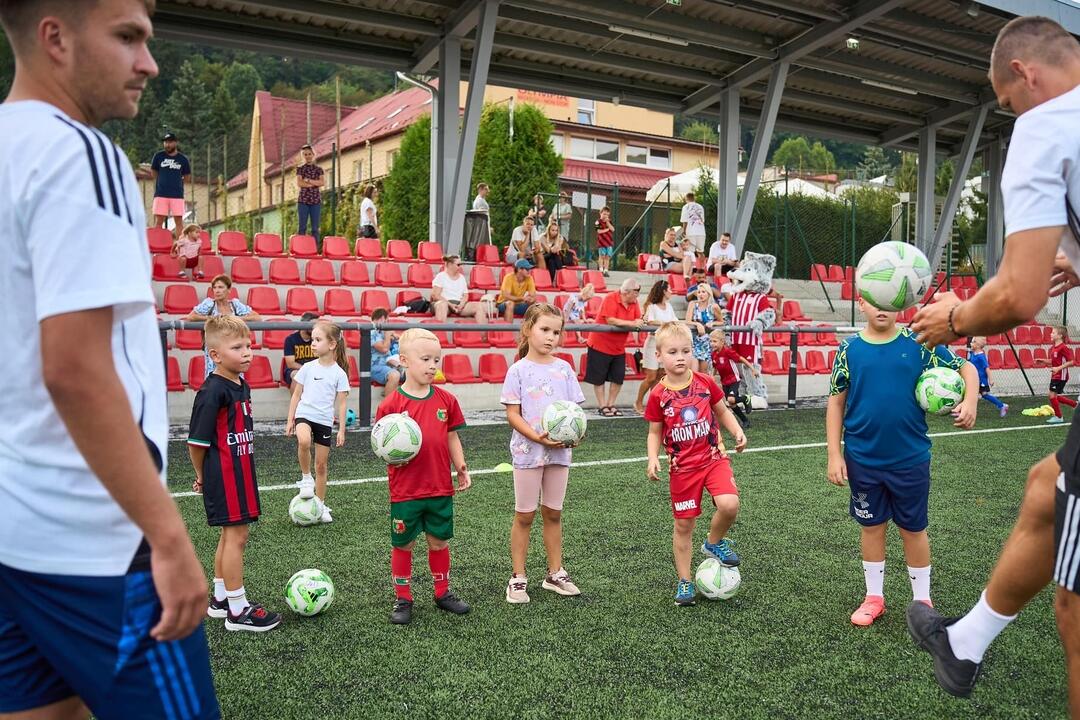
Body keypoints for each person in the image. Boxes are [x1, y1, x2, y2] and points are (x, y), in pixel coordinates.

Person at [0, 1, 218, 713]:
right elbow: (74, 368)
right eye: (128, 37)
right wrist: (167, 535)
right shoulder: (81, 152)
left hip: (15, 535)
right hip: (97, 543)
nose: (149, 62)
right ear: (55, 37)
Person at [907, 19, 1080, 704]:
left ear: (1024, 72)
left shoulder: (1047, 125)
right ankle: (964, 642)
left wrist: (950, 318)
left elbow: (1016, 297)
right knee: (1050, 484)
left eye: (1005, 102)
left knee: (1075, 604)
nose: (1010, 114)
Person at [827, 297, 978, 629]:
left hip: (910, 459)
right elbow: (836, 403)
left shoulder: (920, 343)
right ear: (861, 304)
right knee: (871, 527)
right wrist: (834, 454)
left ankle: (922, 600)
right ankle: (874, 598)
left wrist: (970, 400)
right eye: (874, 301)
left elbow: (967, 367)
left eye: (891, 301)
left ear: (902, 305)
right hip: (862, 459)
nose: (882, 308)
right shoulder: (848, 350)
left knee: (913, 529)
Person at [188, 316, 282, 633]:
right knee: (237, 537)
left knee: (230, 536)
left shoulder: (242, 384)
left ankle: (219, 600)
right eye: (237, 347)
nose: (247, 352)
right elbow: (196, 443)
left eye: (249, 346)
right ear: (215, 355)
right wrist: (202, 475)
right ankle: (238, 610)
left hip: (241, 472)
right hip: (223, 475)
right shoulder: (212, 391)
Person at [645, 321, 747, 606]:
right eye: (673, 351)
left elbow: (722, 410)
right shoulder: (658, 395)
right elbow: (654, 432)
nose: (680, 357)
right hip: (683, 471)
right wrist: (653, 457)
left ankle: (713, 542)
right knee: (684, 526)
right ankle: (685, 582)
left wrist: (737, 430)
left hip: (714, 460)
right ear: (659, 356)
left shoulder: (705, 381)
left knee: (729, 504)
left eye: (686, 351)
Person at [376, 328, 472, 625]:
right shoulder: (391, 405)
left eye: (437, 360)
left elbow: (452, 436)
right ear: (404, 360)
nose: (433, 365)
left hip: (439, 486)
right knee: (403, 544)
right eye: (426, 359)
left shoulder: (446, 399)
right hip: (406, 490)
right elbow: (382, 444)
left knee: (439, 542)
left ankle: (442, 593)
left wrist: (461, 466)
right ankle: (403, 598)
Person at [501, 304, 586, 603]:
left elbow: (575, 411)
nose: (551, 337)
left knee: (553, 512)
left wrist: (577, 433)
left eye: (556, 332)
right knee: (525, 514)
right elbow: (513, 414)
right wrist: (536, 436)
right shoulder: (518, 370)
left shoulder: (564, 368)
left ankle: (554, 573)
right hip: (528, 451)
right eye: (545, 330)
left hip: (559, 453)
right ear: (528, 329)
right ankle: (518, 577)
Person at [286, 321, 350, 523]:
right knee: (303, 442)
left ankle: (320, 506)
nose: (312, 343)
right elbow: (296, 395)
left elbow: (341, 405)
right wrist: (290, 419)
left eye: (317, 339)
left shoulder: (339, 373)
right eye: (312, 339)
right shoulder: (307, 367)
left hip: (324, 420)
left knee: (321, 466)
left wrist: (341, 430)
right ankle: (306, 478)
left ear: (332, 345)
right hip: (304, 414)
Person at [586, 278, 643, 417]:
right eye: (635, 293)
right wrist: (632, 324)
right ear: (626, 292)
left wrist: (636, 322)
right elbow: (610, 320)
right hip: (600, 344)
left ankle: (611, 404)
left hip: (618, 346)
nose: (636, 297)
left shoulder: (634, 303)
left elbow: (638, 319)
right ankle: (602, 405)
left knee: (618, 377)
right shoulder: (611, 298)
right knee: (598, 378)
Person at [185, 274, 262, 378]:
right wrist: (214, 319)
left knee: (235, 380)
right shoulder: (209, 304)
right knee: (215, 381)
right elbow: (191, 317)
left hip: (235, 349)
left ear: (229, 289)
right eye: (215, 288)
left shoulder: (235, 305)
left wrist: (233, 318)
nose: (217, 291)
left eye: (221, 287)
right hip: (215, 349)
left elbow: (256, 317)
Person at [635, 280, 678, 414]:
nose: (671, 291)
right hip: (653, 343)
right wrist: (666, 323)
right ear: (664, 291)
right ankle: (638, 402)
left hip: (665, 343)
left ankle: (654, 404)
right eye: (669, 289)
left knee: (660, 375)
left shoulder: (669, 306)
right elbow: (651, 321)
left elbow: (675, 321)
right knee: (651, 376)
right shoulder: (652, 306)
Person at [710, 329, 756, 427]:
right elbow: (715, 366)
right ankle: (745, 421)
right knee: (732, 404)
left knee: (730, 400)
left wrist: (752, 369)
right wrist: (712, 376)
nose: (712, 344)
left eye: (714, 341)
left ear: (722, 341)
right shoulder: (713, 354)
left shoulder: (727, 351)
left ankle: (745, 398)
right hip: (724, 382)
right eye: (711, 341)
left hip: (734, 379)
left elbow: (741, 359)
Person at [151, 131, 190, 239]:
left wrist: (177, 182)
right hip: (161, 194)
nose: (167, 144)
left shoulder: (183, 159)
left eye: (170, 142)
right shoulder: (158, 156)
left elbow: (187, 176)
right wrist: (162, 181)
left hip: (177, 195)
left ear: (175, 143)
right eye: (165, 142)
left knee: (179, 221)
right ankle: (157, 245)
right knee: (159, 221)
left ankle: (179, 246)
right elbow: (154, 172)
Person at [1035, 326, 1076, 424]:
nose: (1051, 334)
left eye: (1053, 333)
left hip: (1061, 375)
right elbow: (1053, 362)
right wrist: (1043, 361)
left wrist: (1058, 368)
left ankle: (1059, 417)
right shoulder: (1054, 348)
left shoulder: (1063, 347)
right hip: (1056, 375)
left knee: (1052, 395)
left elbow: (1071, 362)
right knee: (1053, 396)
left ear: (1060, 336)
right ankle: (1075, 404)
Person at [432, 255, 486, 323]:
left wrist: (461, 305)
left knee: (479, 306)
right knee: (442, 305)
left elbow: (465, 295)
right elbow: (435, 295)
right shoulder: (440, 276)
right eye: (458, 264)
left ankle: (484, 333)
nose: (460, 267)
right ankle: (440, 333)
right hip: (444, 302)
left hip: (458, 303)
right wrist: (450, 305)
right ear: (450, 265)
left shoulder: (462, 278)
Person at [685, 284, 723, 373]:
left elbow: (721, 321)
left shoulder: (714, 307)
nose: (701, 294)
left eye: (703, 292)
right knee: (693, 372)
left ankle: (702, 387)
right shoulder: (693, 304)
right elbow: (687, 321)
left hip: (707, 343)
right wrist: (697, 324)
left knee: (703, 373)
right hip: (694, 342)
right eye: (698, 292)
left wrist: (712, 323)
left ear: (708, 293)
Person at [967, 337, 1008, 417]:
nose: (970, 344)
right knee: (972, 394)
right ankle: (1002, 405)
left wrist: (990, 379)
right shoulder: (972, 353)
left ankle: (1002, 406)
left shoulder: (981, 356)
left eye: (973, 342)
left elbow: (987, 368)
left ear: (978, 345)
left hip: (981, 380)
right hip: (974, 379)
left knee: (983, 394)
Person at [283, 311, 320, 388]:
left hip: (314, 369)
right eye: (313, 325)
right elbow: (291, 364)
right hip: (295, 369)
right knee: (297, 376)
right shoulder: (291, 339)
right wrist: (308, 370)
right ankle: (295, 400)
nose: (315, 328)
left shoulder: (318, 339)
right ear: (304, 324)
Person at [296, 144, 324, 244]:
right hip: (303, 200)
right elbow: (300, 183)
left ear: (313, 154)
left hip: (315, 201)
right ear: (303, 156)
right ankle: (300, 247)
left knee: (315, 228)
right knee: (302, 226)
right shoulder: (300, 169)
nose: (307, 156)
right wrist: (313, 184)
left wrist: (308, 181)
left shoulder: (318, 169)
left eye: (309, 154)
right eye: (305, 154)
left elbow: (322, 182)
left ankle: (314, 249)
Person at [370, 308, 402, 395]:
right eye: (387, 320)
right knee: (395, 375)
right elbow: (384, 349)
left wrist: (395, 337)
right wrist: (388, 335)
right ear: (382, 318)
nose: (388, 323)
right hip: (375, 367)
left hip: (390, 365)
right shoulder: (372, 331)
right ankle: (387, 407)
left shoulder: (382, 331)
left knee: (415, 374)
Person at [680, 191, 707, 255]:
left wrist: (684, 231)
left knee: (690, 252)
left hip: (691, 232)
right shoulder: (700, 207)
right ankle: (702, 265)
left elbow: (685, 221)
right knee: (700, 251)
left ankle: (691, 265)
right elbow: (702, 220)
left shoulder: (686, 207)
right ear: (694, 198)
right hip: (701, 232)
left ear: (686, 199)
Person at [595, 206, 615, 277]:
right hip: (601, 243)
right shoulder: (598, 222)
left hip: (609, 243)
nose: (605, 216)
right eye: (604, 214)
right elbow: (598, 231)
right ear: (600, 213)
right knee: (601, 256)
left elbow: (612, 229)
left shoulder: (609, 221)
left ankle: (606, 270)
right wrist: (606, 230)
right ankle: (601, 269)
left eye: (607, 214)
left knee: (607, 257)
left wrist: (608, 223)